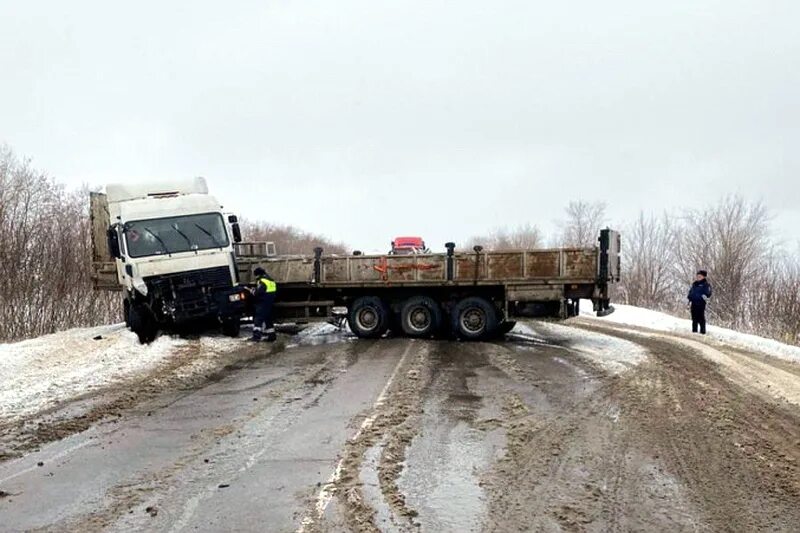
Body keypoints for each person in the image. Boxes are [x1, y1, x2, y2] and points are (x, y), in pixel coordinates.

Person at [250, 267, 277, 342]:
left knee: (258, 319)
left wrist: (252, 291)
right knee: (268, 319)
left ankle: (256, 336)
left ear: (257, 274)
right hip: (269, 303)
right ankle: (272, 336)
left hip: (262, 303)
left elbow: (258, 293)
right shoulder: (271, 280)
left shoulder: (262, 281)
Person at [687, 270, 712, 334]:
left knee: (700, 317)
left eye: (700, 276)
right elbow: (691, 292)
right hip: (694, 303)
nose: (698, 277)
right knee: (694, 317)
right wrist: (689, 297)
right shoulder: (694, 284)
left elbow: (708, 293)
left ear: (703, 277)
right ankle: (694, 331)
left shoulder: (706, 285)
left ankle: (702, 331)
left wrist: (705, 296)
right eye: (697, 276)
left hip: (701, 303)